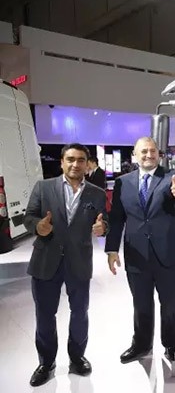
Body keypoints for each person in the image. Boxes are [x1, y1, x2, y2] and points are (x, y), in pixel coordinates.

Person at [104, 137, 175, 364]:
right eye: (143, 151)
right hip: (137, 253)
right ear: (134, 156)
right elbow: (117, 218)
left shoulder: (172, 176)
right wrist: (112, 249)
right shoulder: (123, 182)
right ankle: (141, 345)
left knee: (170, 304)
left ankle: (171, 344)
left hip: (168, 253)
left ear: (159, 154)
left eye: (153, 151)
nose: (149, 155)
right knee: (141, 303)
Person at [23, 143, 107, 387]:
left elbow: (105, 221)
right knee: (45, 314)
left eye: (80, 160)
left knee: (80, 313)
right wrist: (38, 226)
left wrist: (103, 228)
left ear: (87, 164)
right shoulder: (44, 187)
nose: (75, 164)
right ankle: (46, 363)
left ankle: (77, 358)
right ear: (62, 162)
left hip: (79, 261)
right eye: (70, 159)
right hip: (46, 260)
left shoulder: (97, 193)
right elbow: (29, 217)